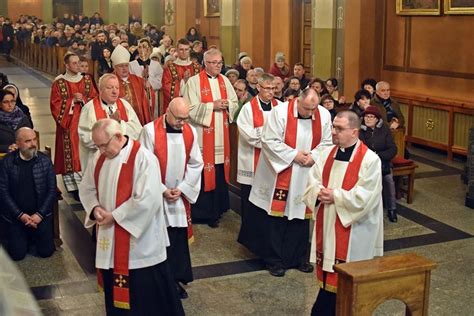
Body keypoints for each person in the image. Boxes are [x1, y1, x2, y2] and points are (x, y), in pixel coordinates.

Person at [79, 119, 184, 315]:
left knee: (145, 298)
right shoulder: (98, 158)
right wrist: (94, 209)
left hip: (140, 244)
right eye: (97, 146)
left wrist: (115, 216)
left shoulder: (144, 158)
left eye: (103, 145)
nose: (100, 150)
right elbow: (86, 188)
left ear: (118, 137)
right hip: (110, 239)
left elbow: (148, 200)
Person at [303, 110, 384, 315]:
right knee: (328, 281)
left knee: (347, 284)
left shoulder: (370, 160)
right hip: (329, 222)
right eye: (333, 127)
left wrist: (336, 197)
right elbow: (312, 180)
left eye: (339, 129)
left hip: (354, 230)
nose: (333, 132)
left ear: (354, 132)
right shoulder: (326, 154)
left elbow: (366, 196)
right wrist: (319, 192)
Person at [249, 88, 333, 277]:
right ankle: (274, 260)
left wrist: (313, 156)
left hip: (307, 171)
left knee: (301, 216)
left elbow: (328, 142)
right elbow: (269, 140)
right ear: (298, 100)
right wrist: (295, 155)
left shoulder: (324, 115)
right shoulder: (279, 112)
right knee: (277, 217)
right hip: (280, 172)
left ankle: (298, 258)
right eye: (306, 109)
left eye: (314, 109)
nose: (311, 113)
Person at [139, 97, 203, 299]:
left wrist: (183, 188)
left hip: (178, 198)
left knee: (176, 240)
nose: (182, 123)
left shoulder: (190, 131)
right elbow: (142, 167)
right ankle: (157, 282)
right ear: (167, 111)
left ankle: (175, 280)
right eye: (178, 118)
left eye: (185, 118)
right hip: (157, 196)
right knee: (158, 239)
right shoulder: (149, 131)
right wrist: (161, 189)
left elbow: (196, 163)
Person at [183, 48, 238, 227]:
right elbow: (189, 108)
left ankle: (217, 210)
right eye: (213, 63)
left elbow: (235, 102)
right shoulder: (193, 82)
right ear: (205, 64)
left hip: (221, 137)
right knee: (202, 172)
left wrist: (227, 104)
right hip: (202, 136)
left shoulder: (224, 81)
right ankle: (201, 212)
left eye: (220, 63)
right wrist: (211, 106)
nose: (217, 66)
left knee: (219, 172)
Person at [236, 73, 280, 256]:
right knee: (251, 205)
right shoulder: (248, 109)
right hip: (252, 162)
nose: (270, 92)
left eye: (273, 89)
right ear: (259, 88)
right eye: (267, 88)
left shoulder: (281, 107)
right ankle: (251, 242)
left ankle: (269, 242)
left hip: (273, 164)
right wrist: (271, 136)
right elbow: (249, 135)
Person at [0, 127, 56, 261]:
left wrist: (40, 214)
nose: (33, 144)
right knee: (17, 255)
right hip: (17, 217)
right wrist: (20, 215)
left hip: (39, 216)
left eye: (34, 139)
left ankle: (32, 234)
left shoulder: (45, 161)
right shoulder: (7, 162)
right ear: (18, 143)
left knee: (46, 252)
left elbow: (52, 189)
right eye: (28, 141)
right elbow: (3, 192)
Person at [50, 52, 98, 199]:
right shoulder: (59, 82)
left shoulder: (87, 80)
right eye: (74, 63)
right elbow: (55, 104)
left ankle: (87, 185)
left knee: (85, 150)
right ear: (66, 65)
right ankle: (73, 187)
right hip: (68, 124)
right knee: (71, 152)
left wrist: (83, 98)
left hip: (85, 122)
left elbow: (95, 98)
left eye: (79, 62)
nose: (78, 65)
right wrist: (71, 101)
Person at [78, 73, 142, 171]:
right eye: (110, 87)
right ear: (100, 90)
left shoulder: (125, 105)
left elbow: (138, 131)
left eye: (117, 88)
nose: (114, 92)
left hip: (123, 162)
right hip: (99, 164)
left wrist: (119, 124)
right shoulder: (89, 109)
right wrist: (111, 126)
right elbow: (85, 138)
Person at [359, 106, 398, 222]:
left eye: (371, 117)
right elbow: (361, 148)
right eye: (366, 116)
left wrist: (379, 156)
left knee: (389, 181)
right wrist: (371, 158)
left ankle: (392, 209)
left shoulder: (384, 129)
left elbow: (392, 148)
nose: (368, 119)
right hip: (366, 164)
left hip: (383, 163)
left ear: (377, 119)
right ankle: (368, 210)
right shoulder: (360, 130)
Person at [110, 44, 153, 125]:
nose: (124, 69)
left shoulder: (138, 80)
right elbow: (105, 102)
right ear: (114, 67)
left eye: (126, 65)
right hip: (121, 123)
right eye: (120, 66)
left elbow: (148, 99)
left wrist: (148, 89)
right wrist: (119, 101)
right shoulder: (109, 81)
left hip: (138, 122)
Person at [162, 38, 201, 112]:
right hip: (177, 108)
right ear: (177, 50)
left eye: (186, 49)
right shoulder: (169, 68)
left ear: (190, 50)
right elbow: (167, 88)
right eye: (181, 49)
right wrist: (184, 81)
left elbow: (202, 86)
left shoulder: (197, 67)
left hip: (194, 107)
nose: (184, 52)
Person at [129, 38, 162, 114]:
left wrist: (148, 79)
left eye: (144, 47)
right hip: (138, 97)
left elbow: (160, 83)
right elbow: (131, 82)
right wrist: (142, 79)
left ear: (149, 49)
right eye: (139, 47)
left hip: (153, 98)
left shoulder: (156, 65)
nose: (141, 49)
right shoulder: (131, 65)